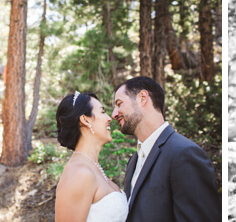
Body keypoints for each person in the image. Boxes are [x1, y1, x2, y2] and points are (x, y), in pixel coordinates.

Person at [111, 76, 221, 221]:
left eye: (119, 104)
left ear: (142, 98)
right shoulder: (133, 161)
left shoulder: (184, 154)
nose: (113, 114)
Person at [54, 92, 128, 222]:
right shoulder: (78, 173)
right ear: (85, 120)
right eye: (102, 112)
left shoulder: (93, 167)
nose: (109, 118)